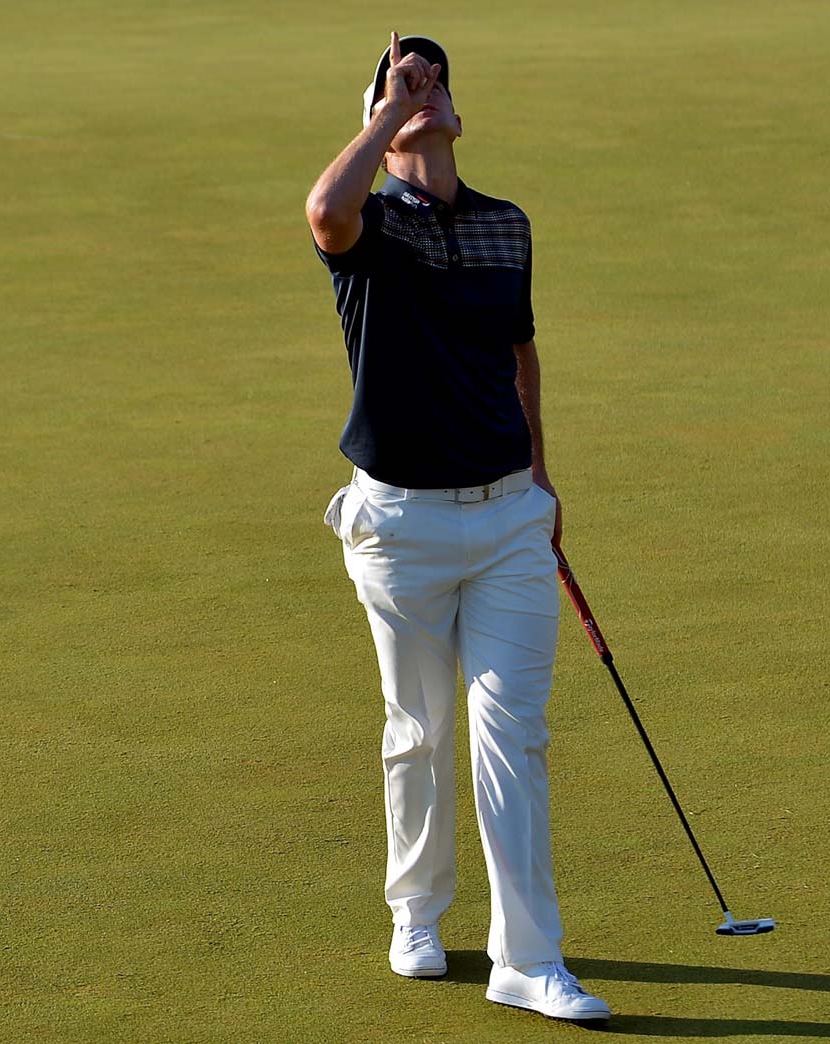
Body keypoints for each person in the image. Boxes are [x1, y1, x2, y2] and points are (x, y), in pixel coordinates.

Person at [304, 32, 611, 1024]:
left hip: (508, 514)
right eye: (401, 83)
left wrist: (542, 479)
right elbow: (322, 211)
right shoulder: (369, 226)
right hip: (398, 525)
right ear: (377, 121)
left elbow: (519, 355)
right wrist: (388, 109)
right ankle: (415, 912)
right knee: (419, 729)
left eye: (435, 82)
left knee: (509, 734)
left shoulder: (504, 225)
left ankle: (528, 959)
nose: (421, 90)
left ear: (460, 115)